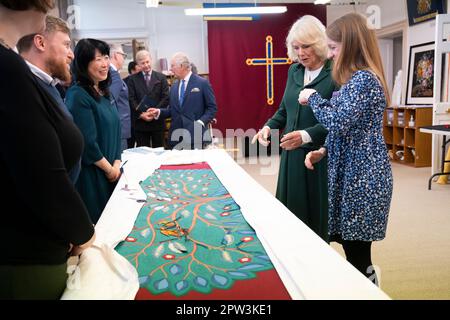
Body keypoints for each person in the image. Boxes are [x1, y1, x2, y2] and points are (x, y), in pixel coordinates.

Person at [0, 0, 95, 300]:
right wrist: (82, 231)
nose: (70, 52)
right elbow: (40, 175)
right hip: (26, 253)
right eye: (66, 44)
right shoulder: (8, 69)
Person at [299, 12, 393, 283]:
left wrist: (313, 97)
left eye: (333, 48)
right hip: (351, 172)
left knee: (357, 252)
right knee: (349, 244)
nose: (329, 55)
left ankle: (369, 288)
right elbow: (348, 128)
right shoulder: (354, 81)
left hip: (363, 177)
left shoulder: (364, 80)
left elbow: (338, 121)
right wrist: (324, 150)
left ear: (350, 44)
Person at [251, 15, 337, 242]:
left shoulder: (336, 73)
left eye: (306, 46)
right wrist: (268, 127)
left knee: (316, 219)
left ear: (319, 44)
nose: (301, 53)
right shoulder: (295, 71)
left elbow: (338, 120)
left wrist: (308, 136)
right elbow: (284, 109)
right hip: (291, 155)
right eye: (296, 47)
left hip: (318, 156)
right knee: (291, 217)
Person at [18, 15, 81, 184]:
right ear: (41, 43)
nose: (71, 55)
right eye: (66, 45)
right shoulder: (22, 89)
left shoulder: (47, 85)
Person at [66, 39, 122, 224]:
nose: (105, 63)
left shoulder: (104, 92)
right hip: (94, 175)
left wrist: (117, 163)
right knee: (99, 227)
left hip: (113, 170)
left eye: (106, 57)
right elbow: (87, 142)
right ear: (83, 63)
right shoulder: (78, 95)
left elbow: (116, 130)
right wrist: (110, 170)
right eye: (98, 59)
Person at [148, 52, 218, 150]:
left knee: (195, 165)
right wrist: (159, 112)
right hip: (176, 138)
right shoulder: (174, 87)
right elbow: (173, 110)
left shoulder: (202, 83)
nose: (170, 69)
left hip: (196, 136)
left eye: (172, 66)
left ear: (182, 66)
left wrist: (201, 122)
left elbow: (212, 108)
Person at [127, 50, 169, 148]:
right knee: (143, 154)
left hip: (157, 122)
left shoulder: (161, 77)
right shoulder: (132, 79)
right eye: (142, 63)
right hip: (140, 123)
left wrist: (153, 112)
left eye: (147, 62)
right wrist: (141, 114)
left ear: (151, 60)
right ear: (138, 64)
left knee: (159, 152)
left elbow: (166, 97)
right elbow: (131, 99)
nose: (146, 65)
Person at [109, 43, 131, 152]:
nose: (123, 59)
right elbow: (111, 101)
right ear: (116, 55)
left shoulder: (111, 73)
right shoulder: (113, 75)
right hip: (118, 129)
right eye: (123, 55)